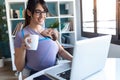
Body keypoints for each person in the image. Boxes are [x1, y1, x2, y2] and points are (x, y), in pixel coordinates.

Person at [14, 0, 73, 79]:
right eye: (38, 12)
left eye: (44, 12)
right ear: (29, 12)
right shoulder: (21, 35)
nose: (42, 16)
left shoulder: (48, 31)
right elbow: (19, 68)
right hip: (37, 74)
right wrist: (22, 48)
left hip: (54, 71)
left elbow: (61, 51)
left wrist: (74, 60)